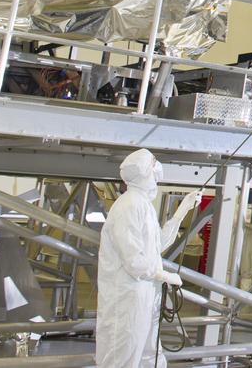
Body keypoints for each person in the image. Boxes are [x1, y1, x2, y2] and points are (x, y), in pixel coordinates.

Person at [96, 149, 201, 368]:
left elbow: (156, 246)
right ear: (143, 172)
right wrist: (163, 275)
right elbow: (133, 260)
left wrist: (183, 210)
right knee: (123, 357)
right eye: (153, 165)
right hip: (127, 299)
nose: (157, 170)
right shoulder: (129, 205)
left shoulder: (143, 205)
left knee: (149, 355)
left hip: (145, 295)